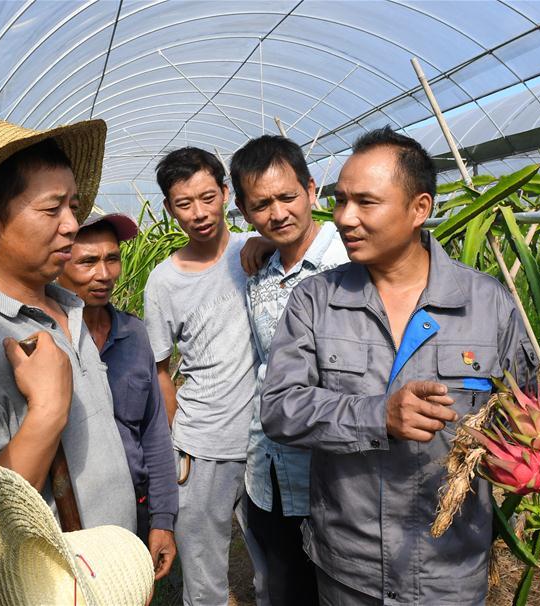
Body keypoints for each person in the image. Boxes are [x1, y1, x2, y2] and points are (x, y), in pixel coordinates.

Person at [260, 127, 539, 605]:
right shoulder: (315, 300)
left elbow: (526, 416)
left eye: (366, 202)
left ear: (419, 209)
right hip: (350, 566)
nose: (345, 218)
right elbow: (280, 409)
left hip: (449, 566)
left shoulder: (487, 304)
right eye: (341, 200)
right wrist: (377, 415)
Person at [0, 115, 136, 532]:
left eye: (73, 207)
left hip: (114, 563)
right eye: (51, 209)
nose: (72, 226)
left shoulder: (70, 309)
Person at [143, 147, 271, 605]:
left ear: (225, 194)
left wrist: (264, 242)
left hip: (267, 442)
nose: (198, 213)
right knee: (204, 576)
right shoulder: (163, 282)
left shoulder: (257, 250)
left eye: (206, 197)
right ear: (169, 208)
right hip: (201, 447)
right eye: (183, 203)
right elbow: (161, 371)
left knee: (278, 571)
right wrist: (176, 444)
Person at [230, 135, 347, 605]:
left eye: (287, 197)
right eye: (261, 205)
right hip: (270, 470)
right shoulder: (260, 271)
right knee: (285, 585)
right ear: (243, 210)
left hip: (336, 474)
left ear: (312, 191)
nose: (277, 213)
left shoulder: (351, 262)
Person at [57, 212, 178, 580]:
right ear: (58, 264)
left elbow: (154, 432)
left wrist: (163, 518)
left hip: (136, 509)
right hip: (76, 518)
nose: (105, 274)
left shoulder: (134, 333)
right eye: (88, 261)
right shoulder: (49, 339)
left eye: (112, 258)